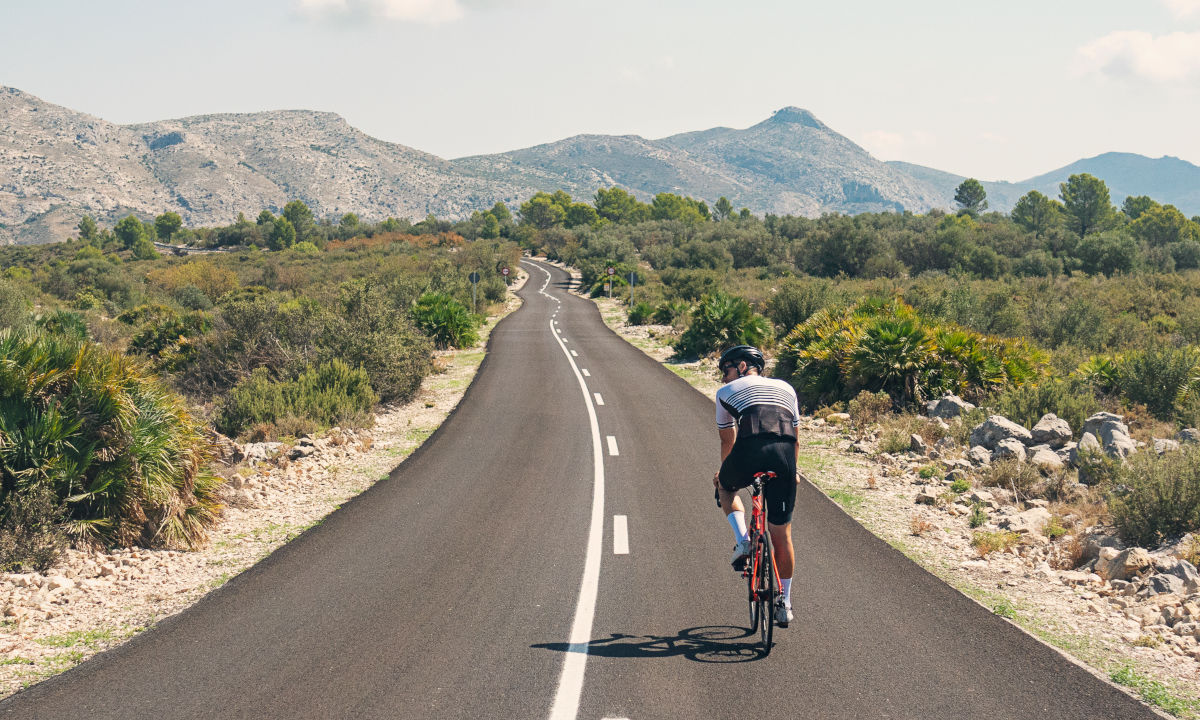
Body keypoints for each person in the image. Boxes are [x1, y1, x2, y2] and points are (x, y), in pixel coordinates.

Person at [712, 345, 800, 627]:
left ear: (740, 366)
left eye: (725, 370)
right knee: (782, 535)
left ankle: (743, 541)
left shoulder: (726, 392)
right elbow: (795, 438)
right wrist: (793, 471)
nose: (724, 378)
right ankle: (784, 603)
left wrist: (724, 474)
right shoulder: (786, 387)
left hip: (749, 450)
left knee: (725, 487)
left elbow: (728, 441)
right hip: (785, 457)